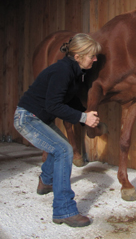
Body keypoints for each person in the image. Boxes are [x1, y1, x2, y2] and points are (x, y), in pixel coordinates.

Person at [14, 33, 101, 227]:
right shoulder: (62, 71)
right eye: (92, 56)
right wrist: (83, 118)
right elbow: (54, 106)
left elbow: (68, 100)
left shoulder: (73, 71)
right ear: (77, 56)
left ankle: (46, 181)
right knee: (63, 149)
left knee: (58, 147)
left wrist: (85, 117)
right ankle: (64, 210)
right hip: (28, 118)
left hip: (39, 118)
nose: (95, 59)